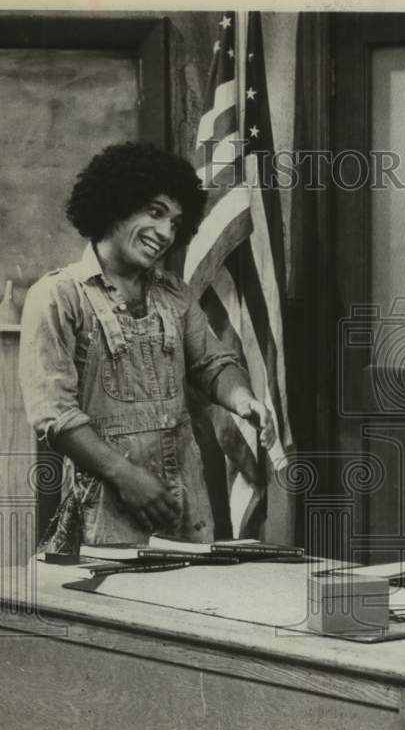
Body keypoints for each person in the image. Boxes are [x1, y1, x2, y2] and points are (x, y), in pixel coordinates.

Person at [19, 142, 274, 551]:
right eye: (154, 213)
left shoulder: (175, 294)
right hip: (102, 511)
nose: (165, 234)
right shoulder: (57, 296)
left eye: (175, 223)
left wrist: (243, 399)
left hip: (186, 508)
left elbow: (211, 363)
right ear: (115, 203)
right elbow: (53, 415)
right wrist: (125, 476)